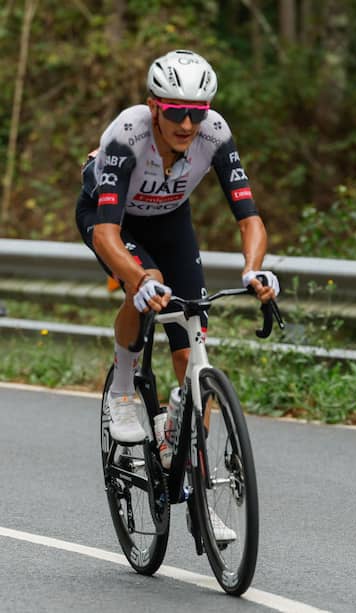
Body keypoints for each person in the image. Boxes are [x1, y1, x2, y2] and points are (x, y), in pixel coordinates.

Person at [75, 49, 280, 449]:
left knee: (192, 345)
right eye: (174, 113)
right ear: (153, 107)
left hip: (170, 220)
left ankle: (188, 464)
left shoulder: (215, 133)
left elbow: (248, 217)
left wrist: (253, 269)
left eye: (197, 113)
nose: (186, 125)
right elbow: (105, 234)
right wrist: (138, 279)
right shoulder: (128, 134)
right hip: (112, 220)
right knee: (148, 282)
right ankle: (121, 393)